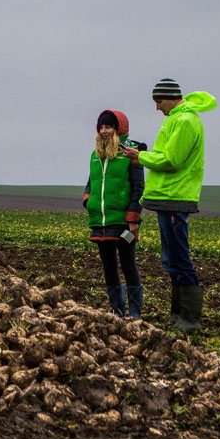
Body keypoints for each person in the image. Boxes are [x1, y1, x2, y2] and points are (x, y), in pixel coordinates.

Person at [119, 78, 217, 332]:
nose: (157, 107)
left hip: (176, 197)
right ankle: (178, 316)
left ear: (171, 98)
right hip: (168, 197)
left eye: (158, 101)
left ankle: (189, 320)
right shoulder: (175, 119)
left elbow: (172, 160)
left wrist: (139, 156)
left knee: (179, 258)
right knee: (171, 259)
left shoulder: (184, 121)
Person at [83, 110, 146, 318]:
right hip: (100, 220)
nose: (104, 131)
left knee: (128, 264)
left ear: (118, 129)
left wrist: (133, 218)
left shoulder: (130, 155)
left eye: (108, 127)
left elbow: (138, 188)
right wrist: (88, 200)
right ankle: (116, 311)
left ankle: (135, 314)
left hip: (123, 221)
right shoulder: (96, 155)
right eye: (101, 127)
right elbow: (92, 182)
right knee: (108, 266)